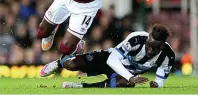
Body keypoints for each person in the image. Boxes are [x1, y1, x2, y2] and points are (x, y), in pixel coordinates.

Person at [41, 24, 175, 88]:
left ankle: (81, 86)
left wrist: (156, 84)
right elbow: (112, 60)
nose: (150, 50)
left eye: (155, 48)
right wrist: (131, 76)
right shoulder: (137, 39)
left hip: (123, 74)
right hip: (108, 59)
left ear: (162, 46)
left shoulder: (168, 55)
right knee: (71, 65)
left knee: (126, 83)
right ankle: (59, 62)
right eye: (149, 45)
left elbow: (160, 79)